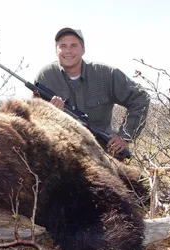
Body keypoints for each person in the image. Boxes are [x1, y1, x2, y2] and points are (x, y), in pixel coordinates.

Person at [34, 27, 150, 156]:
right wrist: (50, 111)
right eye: (62, 46)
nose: (68, 51)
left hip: (103, 150)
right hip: (62, 151)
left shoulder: (107, 74)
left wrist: (124, 136)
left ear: (83, 49)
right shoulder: (45, 77)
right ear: (56, 50)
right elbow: (34, 119)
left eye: (73, 45)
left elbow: (140, 98)